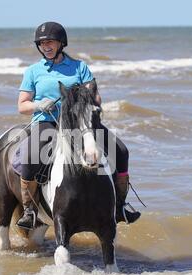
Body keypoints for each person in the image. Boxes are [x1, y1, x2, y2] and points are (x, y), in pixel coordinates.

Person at [16, 21, 140, 230]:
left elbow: (96, 96)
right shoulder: (33, 71)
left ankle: (120, 205)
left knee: (121, 151)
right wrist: (38, 104)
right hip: (48, 122)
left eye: (50, 42)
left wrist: (84, 97)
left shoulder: (79, 67)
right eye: (42, 43)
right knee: (30, 157)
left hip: (81, 123)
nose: (46, 46)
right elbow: (22, 106)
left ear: (61, 43)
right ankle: (29, 210)